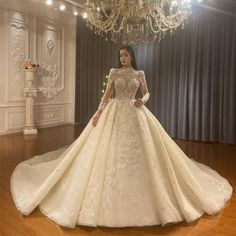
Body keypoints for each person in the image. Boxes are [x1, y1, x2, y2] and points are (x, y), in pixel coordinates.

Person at [10, 45, 233, 229]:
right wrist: (97, 113)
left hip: (136, 113)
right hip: (114, 112)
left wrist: (142, 100)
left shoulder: (140, 74)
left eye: (125, 55)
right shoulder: (114, 72)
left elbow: (147, 92)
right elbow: (107, 95)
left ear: (132, 56)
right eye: (120, 55)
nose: (122, 58)